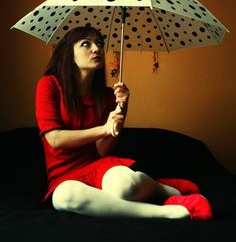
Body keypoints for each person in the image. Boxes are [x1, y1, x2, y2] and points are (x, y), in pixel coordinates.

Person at [36, 26, 213, 220]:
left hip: (98, 166)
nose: (96, 49)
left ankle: (165, 189)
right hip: (63, 176)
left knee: (125, 187)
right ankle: (165, 212)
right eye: (86, 44)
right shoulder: (49, 85)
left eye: (100, 44)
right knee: (64, 197)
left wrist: (122, 109)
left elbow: (103, 150)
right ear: (69, 55)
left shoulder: (107, 96)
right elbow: (55, 139)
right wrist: (103, 129)